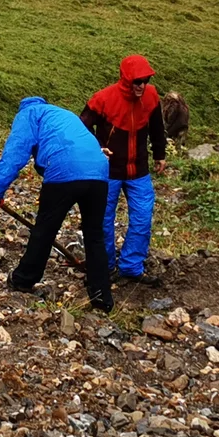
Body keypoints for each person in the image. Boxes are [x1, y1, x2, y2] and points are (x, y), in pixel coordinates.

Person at [0, 96, 113, 311]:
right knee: (94, 235)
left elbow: (16, 152)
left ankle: (23, 279)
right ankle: (101, 296)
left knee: (44, 229)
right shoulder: (62, 114)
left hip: (65, 170)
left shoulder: (28, 114)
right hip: (99, 172)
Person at [80, 54, 170, 284]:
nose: (142, 86)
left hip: (139, 171)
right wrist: (97, 148)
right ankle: (105, 266)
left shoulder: (150, 97)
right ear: (126, 79)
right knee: (103, 221)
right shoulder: (103, 99)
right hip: (107, 172)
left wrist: (160, 154)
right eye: (137, 81)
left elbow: (158, 127)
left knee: (142, 219)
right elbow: (81, 126)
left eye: (146, 80)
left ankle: (131, 266)